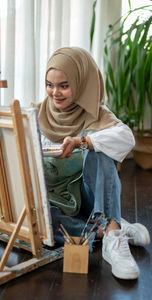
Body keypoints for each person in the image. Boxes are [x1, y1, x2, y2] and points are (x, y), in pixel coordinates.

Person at [35, 47, 150, 280]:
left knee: (100, 150)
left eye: (63, 86)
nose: (54, 92)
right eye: (49, 84)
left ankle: (113, 237)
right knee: (39, 225)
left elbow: (126, 138)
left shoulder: (96, 114)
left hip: (88, 198)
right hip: (55, 200)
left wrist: (82, 141)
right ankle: (105, 229)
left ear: (80, 82)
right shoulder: (39, 113)